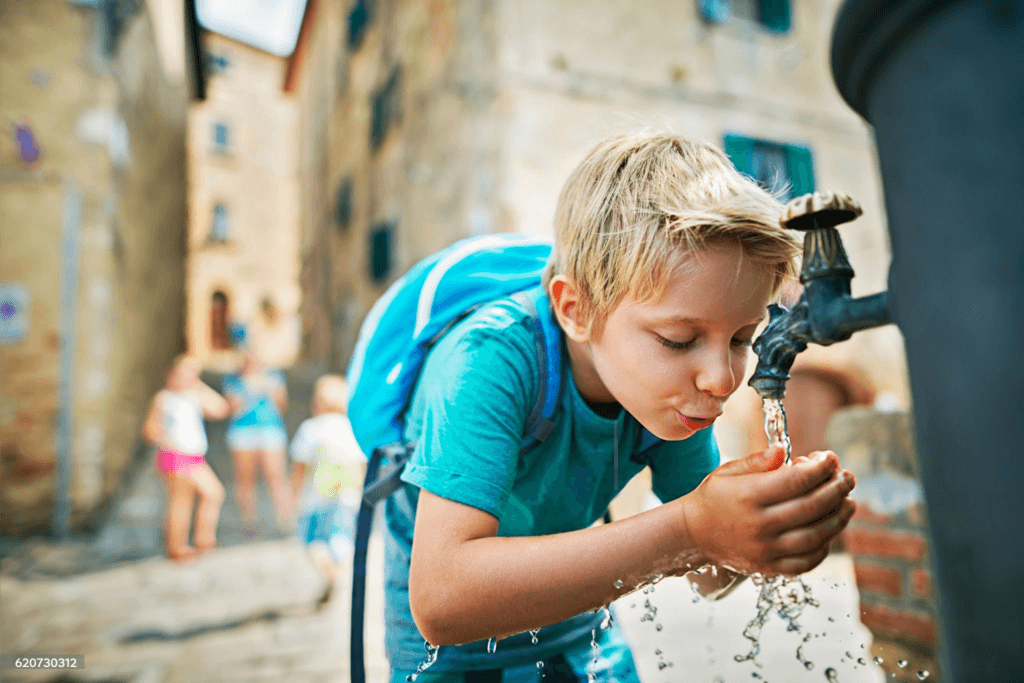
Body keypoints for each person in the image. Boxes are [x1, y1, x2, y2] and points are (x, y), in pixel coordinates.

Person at [381, 132, 859, 681]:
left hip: (577, 627)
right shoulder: (489, 360)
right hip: (452, 655)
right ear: (576, 310)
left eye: (740, 338)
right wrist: (691, 529)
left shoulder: (672, 398)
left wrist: (764, 532)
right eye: (679, 340)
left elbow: (710, 578)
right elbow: (443, 599)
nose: (722, 378)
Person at [142, 354, 230, 561]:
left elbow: (221, 409)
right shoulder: (164, 398)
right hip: (177, 457)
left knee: (204, 496)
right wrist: (171, 446)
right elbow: (150, 430)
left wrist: (199, 386)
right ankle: (182, 546)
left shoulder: (192, 396)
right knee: (188, 499)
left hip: (193, 457)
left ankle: (199, 541)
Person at [290, 374, 367, 583]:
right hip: (348, 497)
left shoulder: (311, 428)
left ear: (318, 403)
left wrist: (294, 494)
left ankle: (328, 570)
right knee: (340, 537)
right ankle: (337, 565)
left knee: (312, 541)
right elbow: (362, 466)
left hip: (317, 497)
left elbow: (300, 465)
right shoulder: (352, 428)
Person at [222, 350, 294, 533]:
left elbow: (282, 406)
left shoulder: (274, 377)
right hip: (242, 433)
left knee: (276, 476)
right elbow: (233, 409)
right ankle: (249, 521)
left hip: (270, 430)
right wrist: (249, 390)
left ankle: (285, 521)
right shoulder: (233, 381)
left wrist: (267, 388)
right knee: (245, 479)